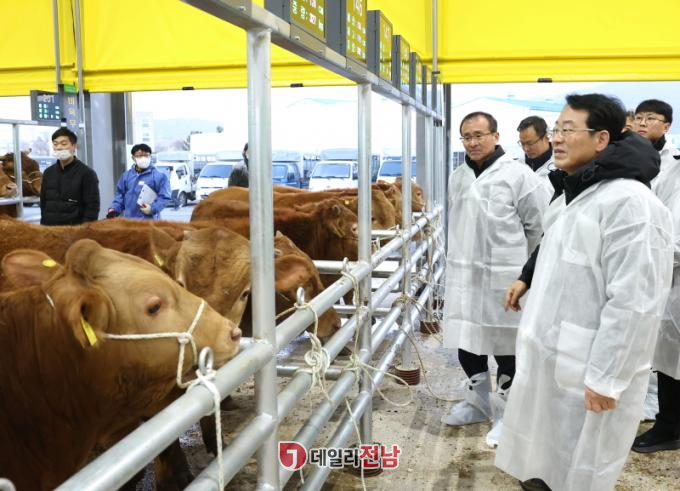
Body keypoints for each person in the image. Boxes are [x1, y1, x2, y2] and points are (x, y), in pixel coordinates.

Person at [495, 94, 674, 491]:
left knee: (580, 470)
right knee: (542, 462)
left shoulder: (631, 204)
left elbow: (635, 303)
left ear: (601, 139)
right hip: (553, 358)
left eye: (567, 130)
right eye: (556, 129)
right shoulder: (575, 192)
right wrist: (527, 277)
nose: (557, 138)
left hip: (590, 372)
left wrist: (608, 378)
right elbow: (554, 249)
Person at [441, 111, 550, 446]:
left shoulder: (518, 175)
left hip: (506, 276)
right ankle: (478, 402)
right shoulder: (458, 176)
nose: (473, 142)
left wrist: (528, 275)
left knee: (506, 346)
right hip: (464, 274)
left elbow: (538, 227)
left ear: (496, 136)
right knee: (466, 339)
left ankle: (509, 414)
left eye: (479, 135)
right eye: (467, 137)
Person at [40, 127, 100, 225]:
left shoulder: (87, 174)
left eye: (64, 144)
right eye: (55, 144)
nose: (59, 147)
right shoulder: (48, 173)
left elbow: (92, 207)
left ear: (73, 146)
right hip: (50, 230)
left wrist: (85, 230)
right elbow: (43, 204)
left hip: (74, 231)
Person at [106, 144, 170, 220]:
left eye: (146, 155)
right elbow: (120, 196)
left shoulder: (159, 176)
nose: (143, 158)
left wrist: (152, 208)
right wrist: (114, 209)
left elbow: (164, 197)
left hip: (150, 222)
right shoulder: (126, 176)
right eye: (139, 156)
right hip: (129, 222)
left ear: (150, 157)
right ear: (133, 158)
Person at [633, 99, 679, 190]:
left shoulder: (676, 161)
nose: (642, 123)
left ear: (666, 127)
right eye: (638, 118)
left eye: (650, 118)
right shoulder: (622, 155)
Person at [517, 116, 554, 194]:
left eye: (530, 143)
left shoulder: (561, 168)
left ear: (545, 137)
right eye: (522, 144)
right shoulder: (517, 165)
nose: (526, 149)